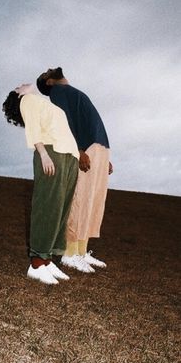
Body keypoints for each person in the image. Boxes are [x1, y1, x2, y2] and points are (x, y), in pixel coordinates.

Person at [36, 68, 113, 273]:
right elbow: (65, 121)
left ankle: (81, 251)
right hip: (86, 148)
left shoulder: (68, 90)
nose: (48, 70)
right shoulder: (57, 92)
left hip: (98, 147)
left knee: (92, 203)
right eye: (46, 73)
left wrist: (105, 157)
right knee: (80, 201)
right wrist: (79, 150)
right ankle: (69, 253)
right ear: (49, 82)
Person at [2, 83, 79, 284]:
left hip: (68, 155)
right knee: (48, 206)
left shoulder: (42, 101)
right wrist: (43, 153)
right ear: (17, 95)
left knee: (61, 208)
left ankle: (48, 259)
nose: (21, 84)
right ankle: (37, 263)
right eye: (17, 86)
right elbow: (34, 128)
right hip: (51, 153)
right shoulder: (27, 100)